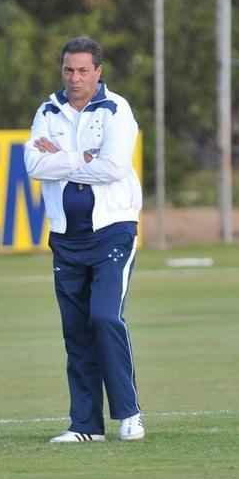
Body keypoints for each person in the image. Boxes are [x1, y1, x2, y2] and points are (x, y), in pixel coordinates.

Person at [24, 36, 145, 443]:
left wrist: (62, 159)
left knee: (105, 317)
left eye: (82, 70)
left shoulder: (116, 110)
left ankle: (129, 413)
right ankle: (85, 425)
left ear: (98, 72)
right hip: (65, 237)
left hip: (112, 230)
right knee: (75, 330)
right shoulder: (48, 110)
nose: (74, 78)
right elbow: (34, 163)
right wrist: (84, 158)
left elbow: (113, 167)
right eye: (68, 70)